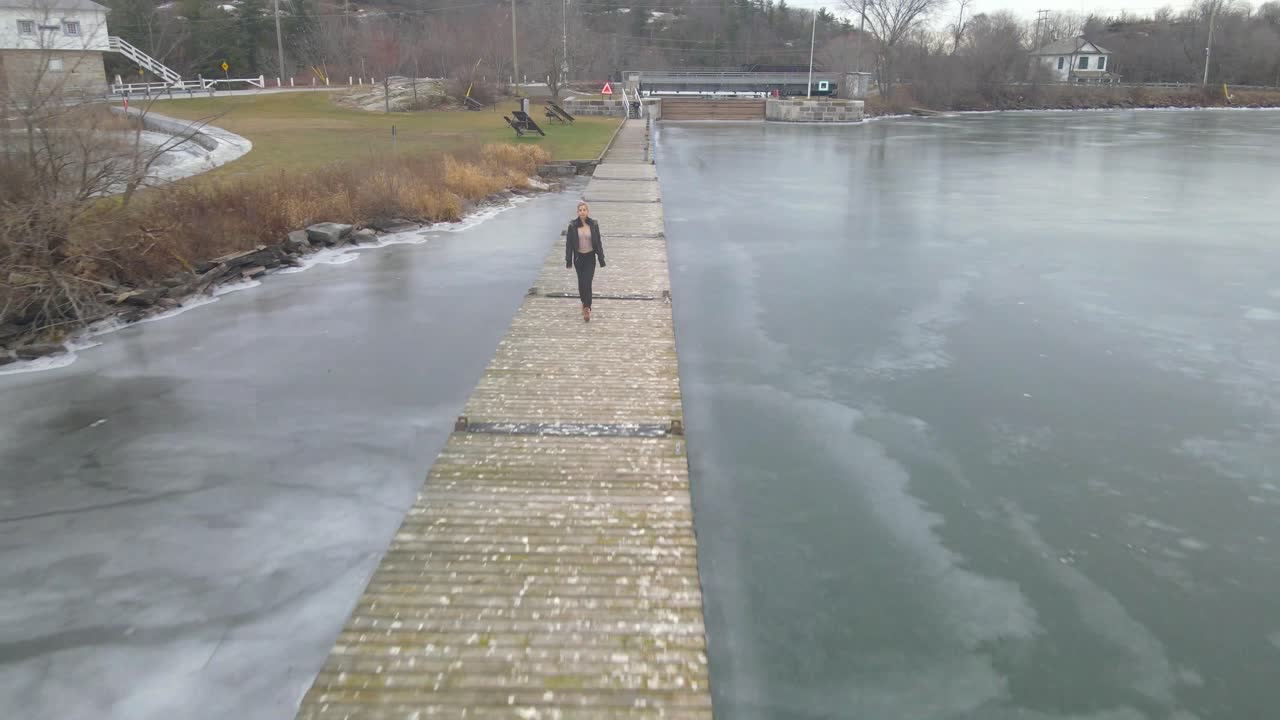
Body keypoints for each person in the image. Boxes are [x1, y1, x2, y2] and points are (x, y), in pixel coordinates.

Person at [565, 201, 605, 322]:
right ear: (577, 212)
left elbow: (598, 242)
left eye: (584, 210)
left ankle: (587, 307)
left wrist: (601, 258)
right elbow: (569, 245)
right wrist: (568, 260)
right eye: (580, 210)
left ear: (587, 212)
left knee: (587, 282)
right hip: (578, 258)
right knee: (581, 284)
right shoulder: (572, 226)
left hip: (590, 257)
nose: (582, 212)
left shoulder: (593, 224)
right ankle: (584, 303)